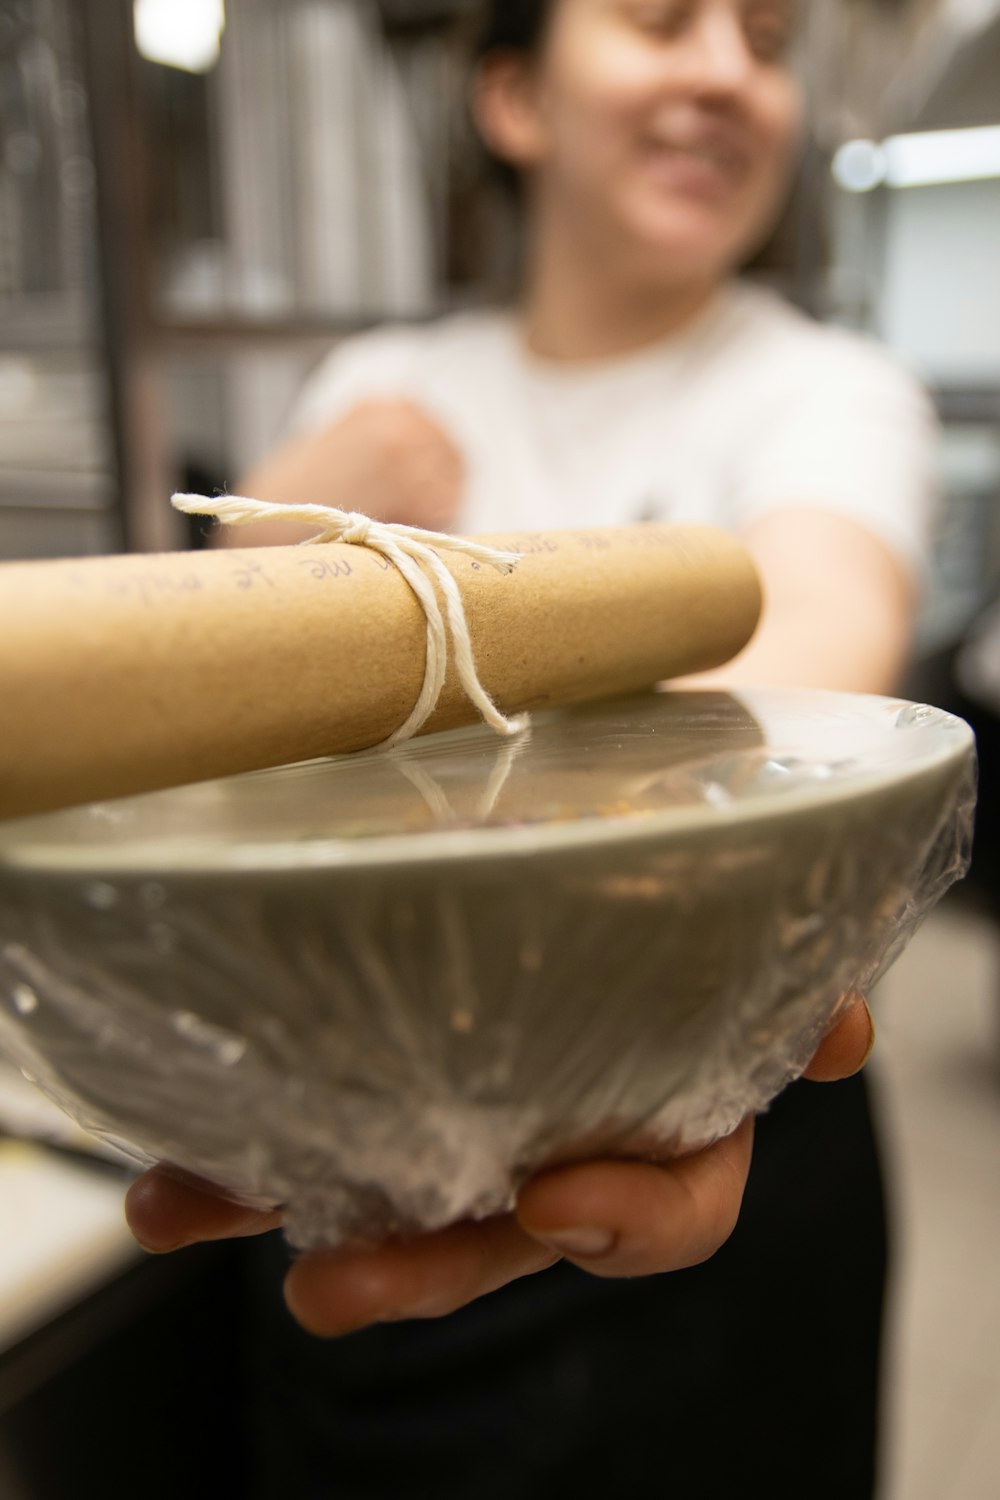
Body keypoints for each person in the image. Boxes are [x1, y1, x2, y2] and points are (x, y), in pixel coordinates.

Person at [126, 2, 935, 1494]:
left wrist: (361, 608)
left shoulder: (824, 389)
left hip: (717, 1075)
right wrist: (300, 500)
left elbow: (813, 677)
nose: (724, 73)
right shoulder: (380, 394)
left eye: (764, 41)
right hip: (369, 1103)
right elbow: (193, 733)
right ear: (513, 97)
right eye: (659, 21)